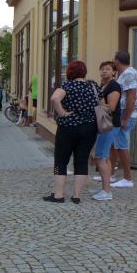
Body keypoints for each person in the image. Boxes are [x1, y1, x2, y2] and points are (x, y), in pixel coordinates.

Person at [43, 61, 99, 204]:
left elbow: (54, 98)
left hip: (68, 127)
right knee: (81, 161)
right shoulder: (93, 86)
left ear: (70, 72)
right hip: (89, 128)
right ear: (84, 72)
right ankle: (77, 196)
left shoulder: (67, 86)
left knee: (61, 160)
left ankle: (59, 195)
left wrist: (62, 113)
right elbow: (102, 104)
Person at [110, 51, 137, 188]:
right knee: (116, 145)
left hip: (125, 114)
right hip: (123, 114)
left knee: (122, 146)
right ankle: (111, 174)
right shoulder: (126, 73)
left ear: (117, 61)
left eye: (114, 61)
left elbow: (131, 97)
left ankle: (127, 178)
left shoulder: (128, 74)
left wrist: (125, 118)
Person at [91, 61, 121, 201]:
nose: (104, 71)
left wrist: (98, 99)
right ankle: (105, 187)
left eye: (108, 69)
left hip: (109, 125)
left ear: (114, 72)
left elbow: (111, 107)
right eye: (102, 69)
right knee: (105, 157)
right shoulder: (103, 85)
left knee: (101, 157)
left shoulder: (114, 86)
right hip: (104, 125)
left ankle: (106, 191)